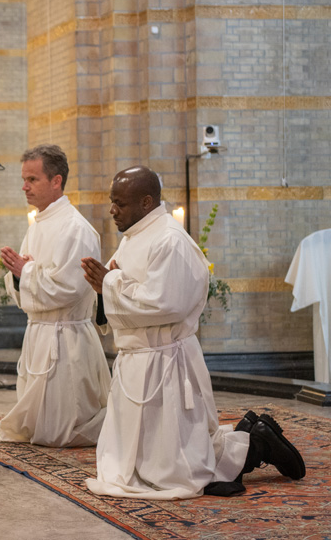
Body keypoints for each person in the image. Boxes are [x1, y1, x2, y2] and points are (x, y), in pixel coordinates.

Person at [80, 166, 305, 499]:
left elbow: (165, 303)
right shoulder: (135, 237)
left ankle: (256, 445)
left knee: (177, 465)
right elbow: (124, 290)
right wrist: (105, 287)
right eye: (112, 201)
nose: (112, 210)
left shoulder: (169, 241)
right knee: (156, 455)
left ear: (146, 202)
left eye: (120, 203)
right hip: (138, 358)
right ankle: (251, 438)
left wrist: (109, 284)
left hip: (164, 360)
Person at [0, 145, 110, 447]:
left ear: (56, 181)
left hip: (66, 336)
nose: (24, 187)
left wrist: (25, 271)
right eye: (24, 179)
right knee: (37, 425)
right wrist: (19, 275)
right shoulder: (38, 224)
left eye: (32, 179)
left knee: (63, 429)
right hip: (40, 331)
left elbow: (70, 288)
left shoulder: (76, 228)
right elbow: (30, 277)